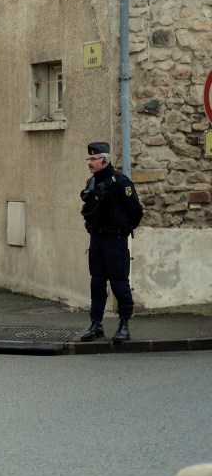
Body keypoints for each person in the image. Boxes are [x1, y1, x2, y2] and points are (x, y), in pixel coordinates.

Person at [79, 141, 143, 342]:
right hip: (97, 238)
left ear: (105, 160)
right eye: (88, 158)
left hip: (115, 240)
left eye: (93, 159)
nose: (89, 162)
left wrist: (123, 230)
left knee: (119, 282)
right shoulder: (92, 182)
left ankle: (124, 324)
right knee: (97, 283)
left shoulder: (121, 183)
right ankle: (96, 324)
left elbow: (136, 212)